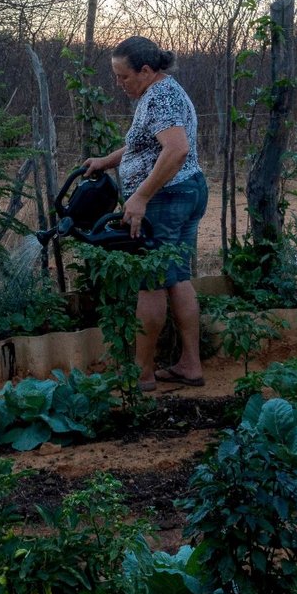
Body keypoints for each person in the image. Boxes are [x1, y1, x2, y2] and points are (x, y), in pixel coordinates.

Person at [83, 36, 208, 392]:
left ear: (147, 70)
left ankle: (142, 374)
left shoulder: (160, 96)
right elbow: (147, 142)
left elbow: (177, 149)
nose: (119, 84)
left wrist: (139, 196)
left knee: (149, 282)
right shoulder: (160, 92)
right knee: (176, 277)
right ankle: (189, 365)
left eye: (123, 76)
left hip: (167, 199)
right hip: (185, 191)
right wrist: (107, 161)